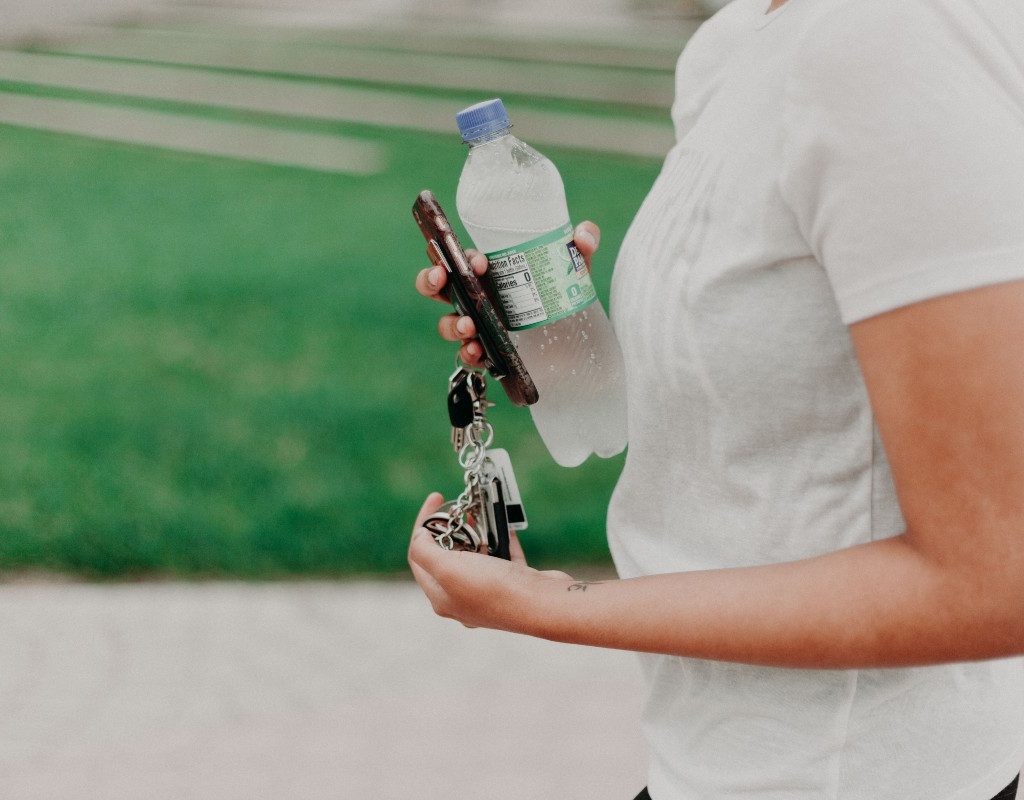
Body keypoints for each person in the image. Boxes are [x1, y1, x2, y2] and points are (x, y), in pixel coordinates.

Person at [410, 0, 1024, 797]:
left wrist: (552, 605)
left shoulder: (890, 34)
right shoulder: (730, 45)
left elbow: (994, 579)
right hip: (705, 767)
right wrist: (552, 332)